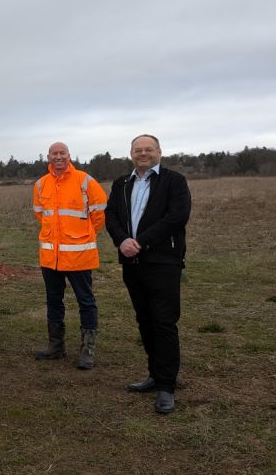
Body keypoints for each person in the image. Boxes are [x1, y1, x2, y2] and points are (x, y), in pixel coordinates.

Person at [105, 134, 191, 414]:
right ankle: (154, 374)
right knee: (144, 320)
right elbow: (110, 216)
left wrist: (140, 242)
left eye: (148, 149)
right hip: (132, 263)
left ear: (159, 152)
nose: (143, 154)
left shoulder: (174, 181)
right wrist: (122, 240)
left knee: (164, 322)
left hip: (163, 262)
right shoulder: (122, 183)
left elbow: (177, 217)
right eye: (137, 150)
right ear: (131, 153)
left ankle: (167, 385)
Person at [32, 142, 107, 369]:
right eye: (54, 153)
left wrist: (83, 235)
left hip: (79, 256)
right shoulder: (40, 184)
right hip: (50, 257)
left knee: (86, 301)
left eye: (62, 153)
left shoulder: (85, 180)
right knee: (53, 300)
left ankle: (87, 350)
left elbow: (99, 213)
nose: (58, 157)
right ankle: (56, 347)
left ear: (69, 155)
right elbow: (40, 214)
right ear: (48, 157)